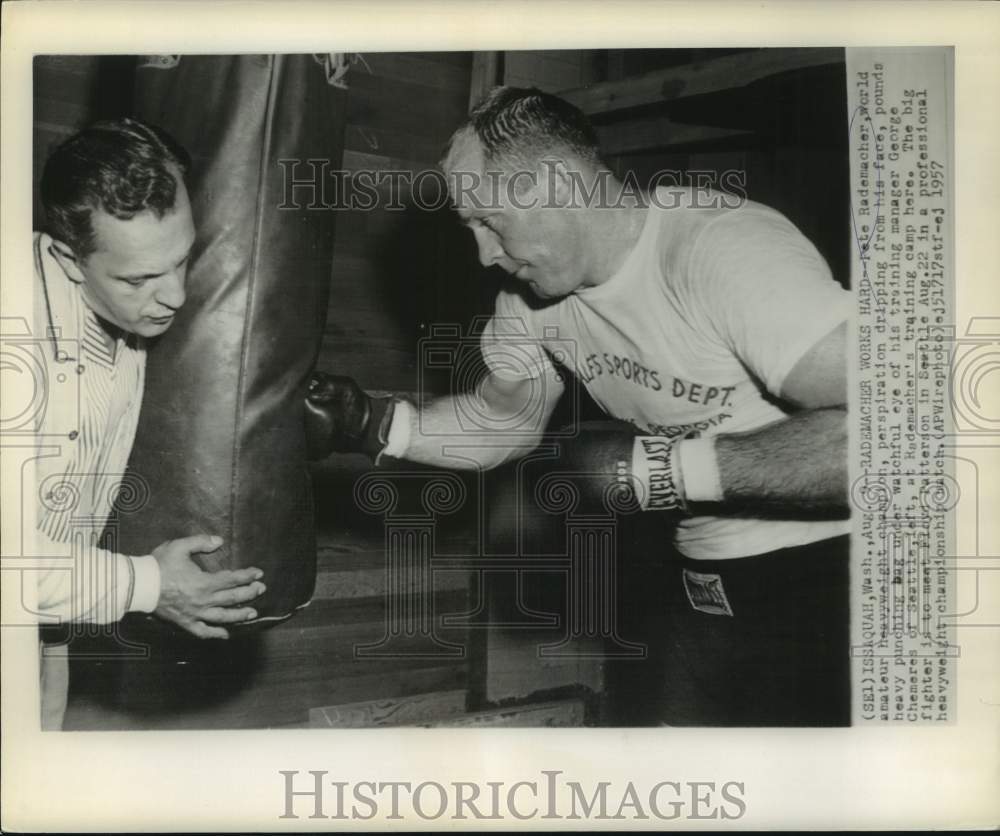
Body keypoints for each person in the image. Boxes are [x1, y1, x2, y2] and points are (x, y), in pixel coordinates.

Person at [305, 87, 852, 726]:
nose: (484, 254)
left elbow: (906, 439)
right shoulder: (534, 299)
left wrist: (664, 473)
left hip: (841, 565)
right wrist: (370, 423)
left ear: (559, 183)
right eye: (470, 228)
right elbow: (504, 419)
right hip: (711, 569)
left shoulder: (719, 249)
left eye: (489, 221)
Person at [32, 118, 267, 729]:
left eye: (182, 260)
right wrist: (148, 584)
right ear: (67, 255)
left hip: (43, 628)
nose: (175, 297)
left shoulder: (126, 308)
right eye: (139, 279)